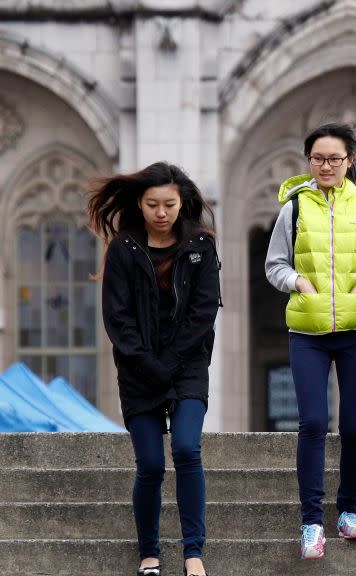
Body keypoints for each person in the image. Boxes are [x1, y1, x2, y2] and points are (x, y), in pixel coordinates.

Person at [265, 123, 356, 559]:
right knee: (313, 423)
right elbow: (274, 264)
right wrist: (298, 281)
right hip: (308, 330)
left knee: (355, 425)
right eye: (317, 159)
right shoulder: (294, 209)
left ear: (349, 162)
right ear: (308, 161)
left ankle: (349, 511)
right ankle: (311, 521)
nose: (324, 166)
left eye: (334, 159)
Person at [88, 162, 220, 576]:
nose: (161, 213)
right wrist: (148, 363)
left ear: (182, 203)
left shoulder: (201, 244)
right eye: (152, 205)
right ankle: (149, 553)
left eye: (169, 204)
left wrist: (172, 362)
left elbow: (203, 312)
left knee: (185, 447)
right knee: (149, 464)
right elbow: (117, 318)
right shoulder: (124, 249)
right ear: (139, 204)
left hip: (188, 364)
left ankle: (193, 551)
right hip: (138, 369)